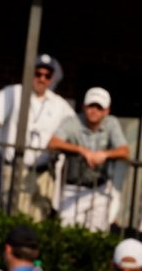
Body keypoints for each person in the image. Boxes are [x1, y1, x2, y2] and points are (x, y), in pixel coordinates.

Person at [0, 53, 75, 220]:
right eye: (38, 73)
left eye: (47, 75)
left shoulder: (59, 104)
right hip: (13, 168)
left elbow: (75, 130)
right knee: (13, 216)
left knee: (39, 219)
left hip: (42, 173)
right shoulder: (13, 92)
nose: (42, 79)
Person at [48, 87, 129, 231]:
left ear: (107, 111)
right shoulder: (72, 121)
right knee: (67, 231)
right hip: (72, 188)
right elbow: (53, 143)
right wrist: (81, 150)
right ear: (84, 107)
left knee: (96, 235)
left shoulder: (111, 123)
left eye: (99, 107)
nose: (94, 111)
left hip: (100, 188)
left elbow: (125, 151)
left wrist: (104, 154)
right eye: (91, 106)